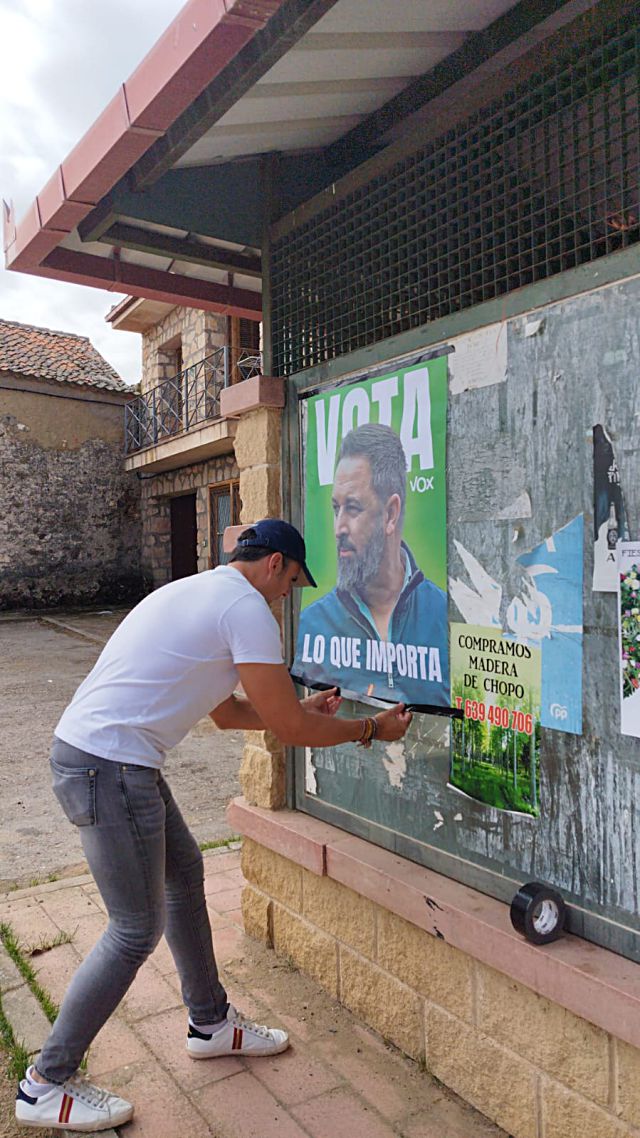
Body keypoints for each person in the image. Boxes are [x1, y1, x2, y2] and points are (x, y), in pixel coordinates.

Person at [15, 518, 411, 1132]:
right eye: (293, 584)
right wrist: (369, 730)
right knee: (134, 929)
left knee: (185, 871)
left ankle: (211, 1023)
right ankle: (46, 1081)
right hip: (109, 767)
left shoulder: (200, 592)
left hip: (109, 760)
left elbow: (229, 715)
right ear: (276, 564)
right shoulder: (246, 607)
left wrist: (297, 707)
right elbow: (291, 733)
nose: (288, 597)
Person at [293, 423, 449, 705]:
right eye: (335, 509)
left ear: (391, 514)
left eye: (352, 508)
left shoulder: (445, 616)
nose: (339, 528)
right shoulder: (314, 624)